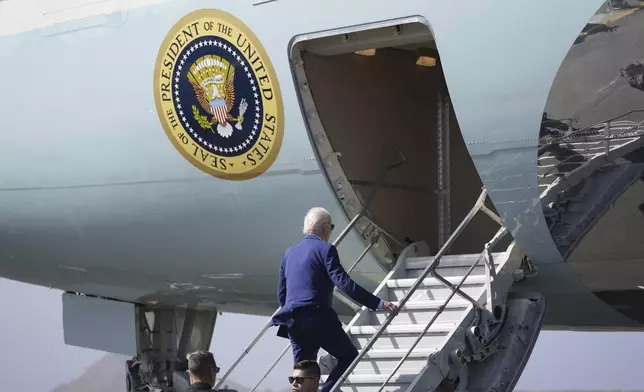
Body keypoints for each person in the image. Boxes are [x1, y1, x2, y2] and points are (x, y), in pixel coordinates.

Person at [271, 207, 398, 392]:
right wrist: (377, 303)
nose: (330, 231)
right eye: (331, 227)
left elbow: (282, 294)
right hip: (318, 318)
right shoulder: (326, 249)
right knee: (348, 356)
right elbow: (344, 283)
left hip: (293, 321)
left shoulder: (288, 253)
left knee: (302, 375)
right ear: (324, 227)